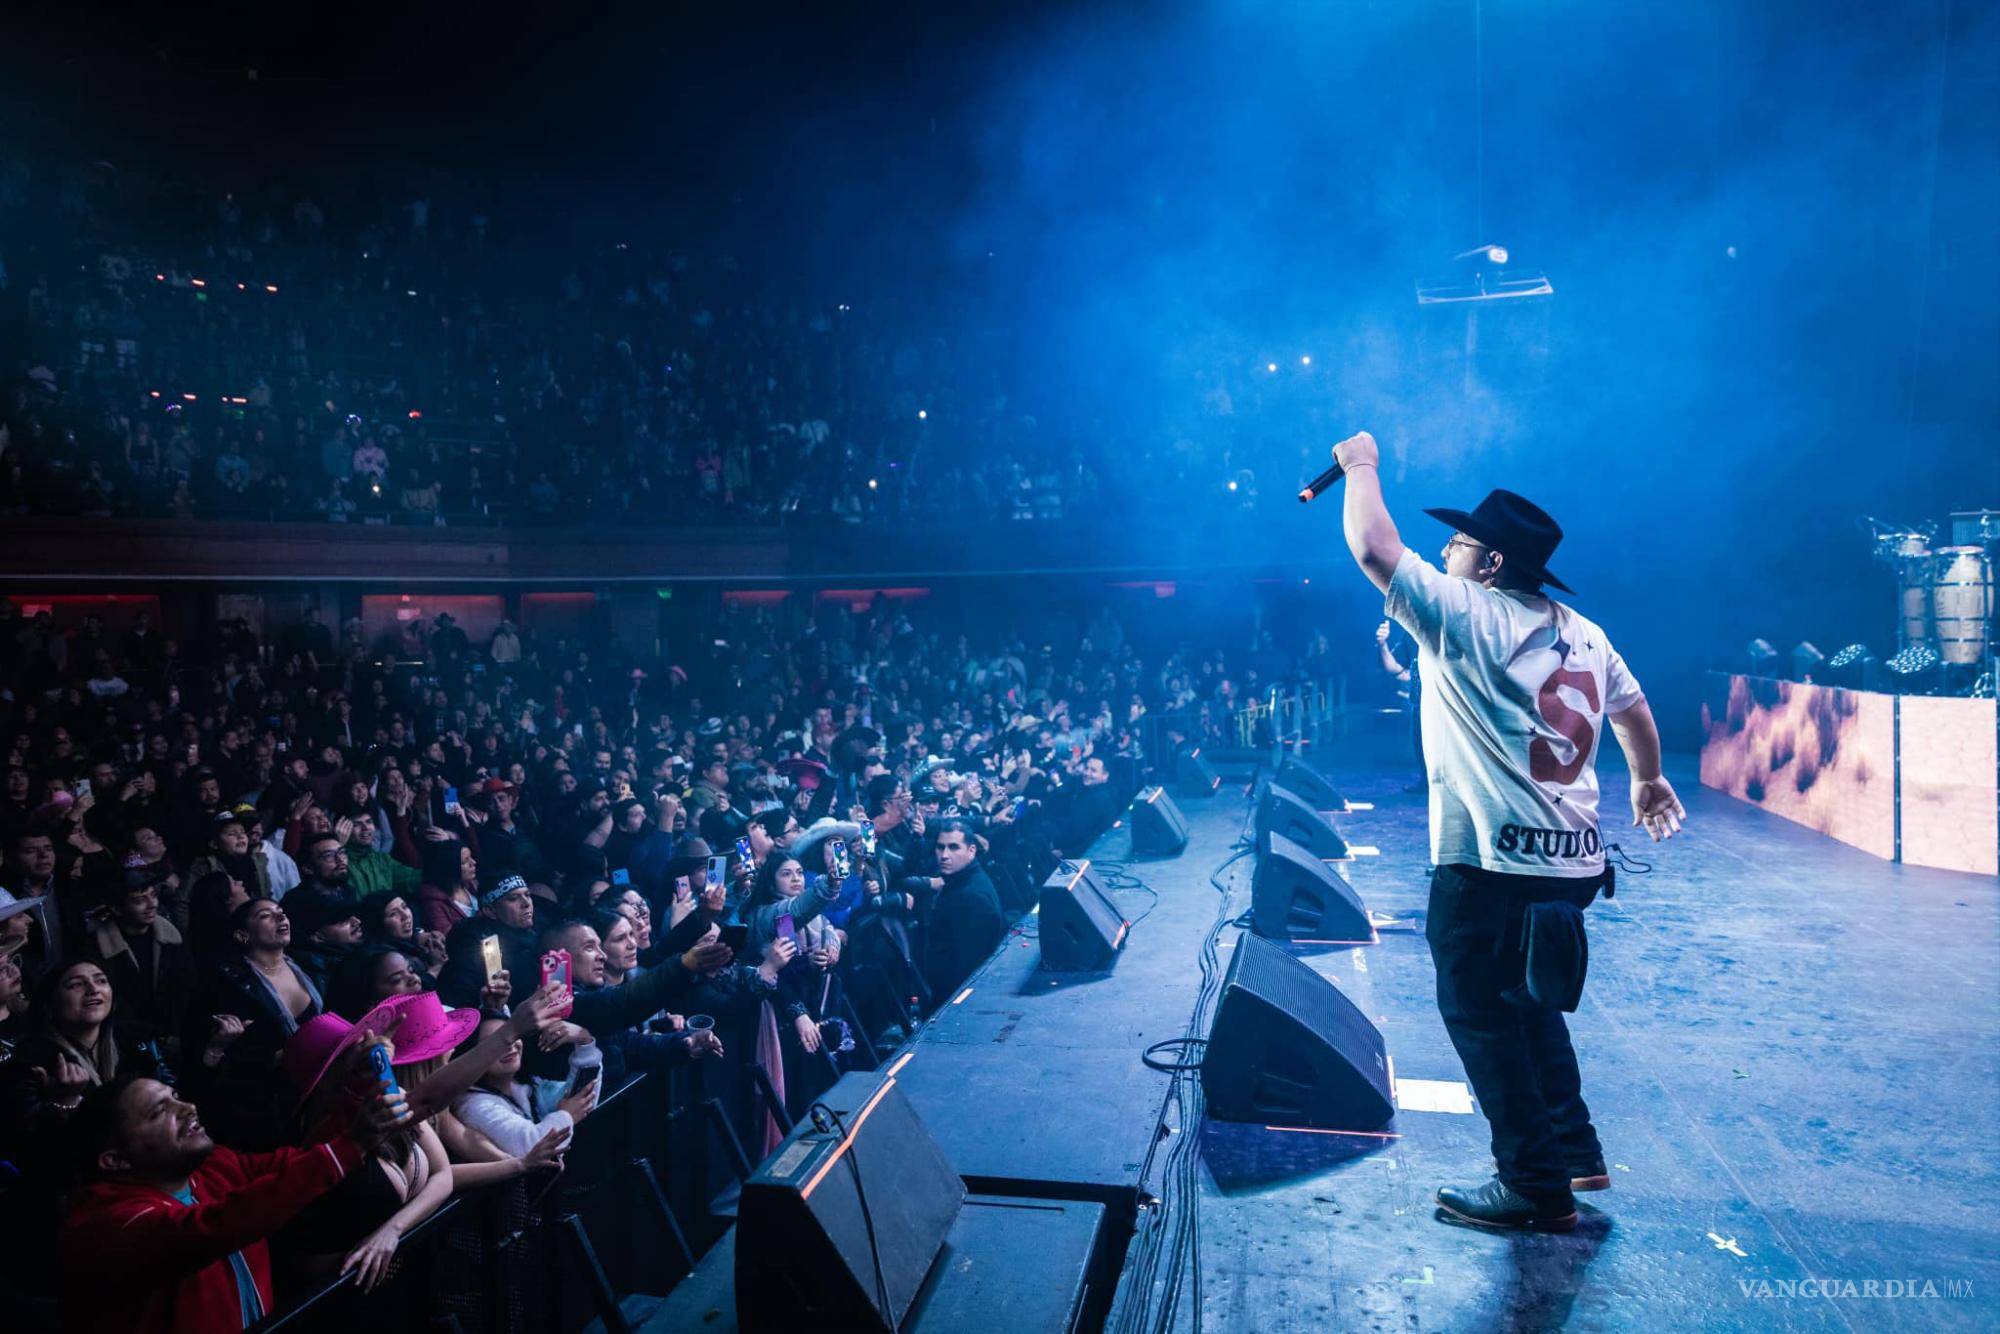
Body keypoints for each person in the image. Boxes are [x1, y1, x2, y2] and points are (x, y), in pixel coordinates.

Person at [1329, 429, 1685, 1233]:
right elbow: (1631, 706)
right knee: (1528, 1006)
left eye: (1455, 543)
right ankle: (1573, 1151)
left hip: (1490, 863)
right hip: (1571, 864)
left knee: (1480, 1014)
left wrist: (1362, 468)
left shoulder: (1468, 612)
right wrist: (1650, 776)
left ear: (1490, 564)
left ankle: (1532, 1184)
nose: (1443, 551)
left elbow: (1373, 548)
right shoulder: (1583, 631)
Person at [57, 1071, 412, 1334]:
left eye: (177, 1095)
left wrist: (357, 1091)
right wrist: (351, 1145)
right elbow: (219, 1225)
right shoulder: (110, 1222)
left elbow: (298, 1166)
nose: (187, 1107)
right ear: (115, 1160)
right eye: (158, 1112)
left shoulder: (211, 1167)